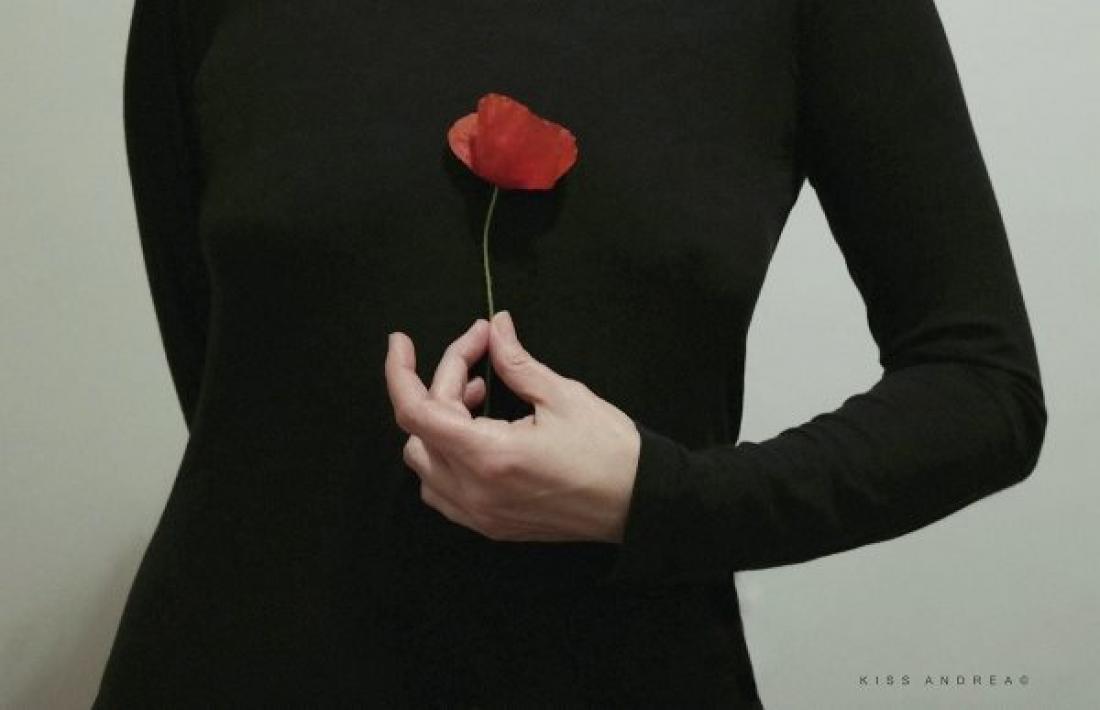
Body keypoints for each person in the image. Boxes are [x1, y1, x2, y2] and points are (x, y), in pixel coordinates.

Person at [93, 0, 1047, 707]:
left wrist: (662, 501)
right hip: (231, 671)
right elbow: (225, 389)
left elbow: (984, 388)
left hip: (625, 675)